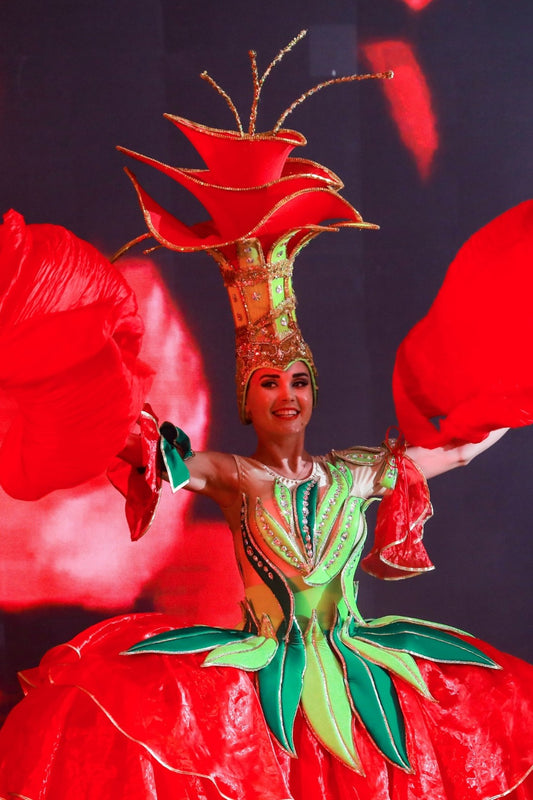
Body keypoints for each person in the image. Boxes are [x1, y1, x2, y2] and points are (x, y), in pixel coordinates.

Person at [0, 33, 532, 800]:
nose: (287, 395)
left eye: (298, 381)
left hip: (361, 669)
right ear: (247, 398)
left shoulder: (353, 472)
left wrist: (503, 393)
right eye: (270, 383)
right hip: (254, 678)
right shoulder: (232, 475)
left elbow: (449, 450)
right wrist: (94, 396)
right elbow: (156, 460)